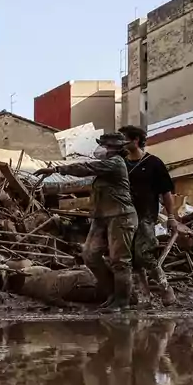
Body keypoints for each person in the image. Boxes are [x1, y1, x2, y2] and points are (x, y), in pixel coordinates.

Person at [37, 132, 138, 309]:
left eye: (105, 146)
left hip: (120, 216)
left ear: (114, 148)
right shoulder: (106, 166)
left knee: (120, 261)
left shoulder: (115, 163)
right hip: (102, 217)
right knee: (90, 255)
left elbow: (86, 167)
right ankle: (112, 293)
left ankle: (123, 301)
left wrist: (56, 169)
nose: (101, 149)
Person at [118, 125, 192, 306]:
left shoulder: (154, 163)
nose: (121, 143)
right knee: (130, 257)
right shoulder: (119, 162)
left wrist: (171, 217)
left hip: (146, 215)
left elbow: (166, 193)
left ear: (136, 140)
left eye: (124, 139)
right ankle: (144, 295)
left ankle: (166, 288)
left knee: (144, 253)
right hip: (125, 216)